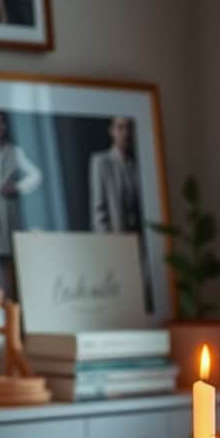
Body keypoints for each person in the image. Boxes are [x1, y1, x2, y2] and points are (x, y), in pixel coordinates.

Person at [89, 116, 153, 310]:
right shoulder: (101, 162)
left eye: (128, 128)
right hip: (116, 241)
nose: (125, 133)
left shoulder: (137, 165)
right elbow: (98, 209)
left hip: (139, 241)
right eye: (120, 127)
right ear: (112, 130)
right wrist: (108, 246)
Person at [0, 111, 43, 293]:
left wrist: (17, 187)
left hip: (9, 211)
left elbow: (36, 175)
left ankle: (9, 300)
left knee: (10, 259)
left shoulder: (14, 151)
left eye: (2, 122)